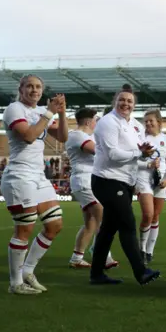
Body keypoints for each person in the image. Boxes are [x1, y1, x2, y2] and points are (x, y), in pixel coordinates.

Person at [2, 74, 68, 294]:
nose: (34, 90)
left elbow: (62, 137)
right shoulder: (14, 109)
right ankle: (15, 283)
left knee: (54, 225)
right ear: (21, 89)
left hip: (38, 176)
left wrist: (62, 113)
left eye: (38, 86)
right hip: (19, 175)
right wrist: (49, 112)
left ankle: (27, 271)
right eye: (29, 86)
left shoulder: (42, 112)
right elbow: (29, 136)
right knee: (24, 229)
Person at [89, 84, 160, 285]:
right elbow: (113, 154)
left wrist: (146, 161)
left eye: (130, 101)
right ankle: (141, 271)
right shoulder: (107, 122)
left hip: (124, 182)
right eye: (122, 100)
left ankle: (96, 274)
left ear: (134, 105)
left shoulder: (136, 126)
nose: (125, 103)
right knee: (128, 224)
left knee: (108, 230)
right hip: (107, 180)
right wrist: (140, 154)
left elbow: (133, 156)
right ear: (115, 101)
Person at [65, 108, 119, 269]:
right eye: (96, 120)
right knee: (106, 217)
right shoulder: (77, 135)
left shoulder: (86, 136)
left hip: (87, 181)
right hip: (84, 181)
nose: (97, 123)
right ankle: (103, 255)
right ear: (89, 121)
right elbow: (98, 151)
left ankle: (76, 258)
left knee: (91, 223)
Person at [137, 109, 166, 263]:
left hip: (160, 181)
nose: (148, 123)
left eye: (151, 121)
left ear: (159, 122)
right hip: (144, 179)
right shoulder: (140, 138)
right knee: (148, 214)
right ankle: (142, 248)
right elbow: (134, 160)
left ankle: (149, 251)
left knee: (156, 216)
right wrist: (149, 164)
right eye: (145, 121)